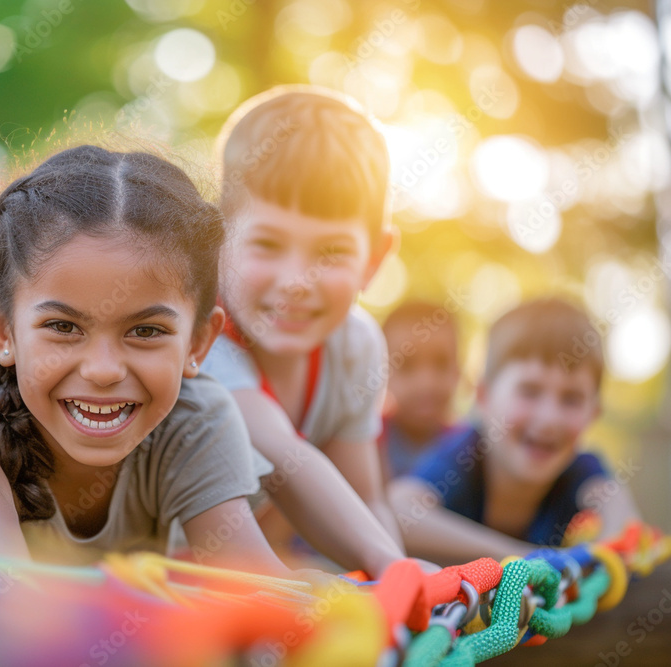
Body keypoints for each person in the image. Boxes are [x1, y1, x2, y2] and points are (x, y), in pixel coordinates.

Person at [0, 145, 295, 575]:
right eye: (63, 327)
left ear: (198, 343)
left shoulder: (197, 417)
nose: (103, 370)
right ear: (2, 329)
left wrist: (319, 609)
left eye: (145, 331)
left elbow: (256, 582)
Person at [201, 85, 406, 576]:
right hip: (138, 575)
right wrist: (393, 569)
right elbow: (286, 457)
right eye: (268, 244)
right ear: (218, 238)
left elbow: (367, 499)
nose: (296, 282)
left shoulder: (355, 347)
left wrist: (405, 591)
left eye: (331, 253)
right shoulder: (196, 336)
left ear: (373, 261)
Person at [389, 299, 640, 564]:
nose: (549, 419)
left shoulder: (582, 470)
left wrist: (602, 548)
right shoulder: (467, 452)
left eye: (571, 399)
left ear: (593, 414)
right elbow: (399, 511)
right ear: (483, 397)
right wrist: (528, 558)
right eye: (530, 391)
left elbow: (624, 526)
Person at [380, 301, 462, 481]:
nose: (426, 383)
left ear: (458, 371)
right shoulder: (365, 440)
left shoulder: (468, 447)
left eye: (441, 364)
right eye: (407, 365)